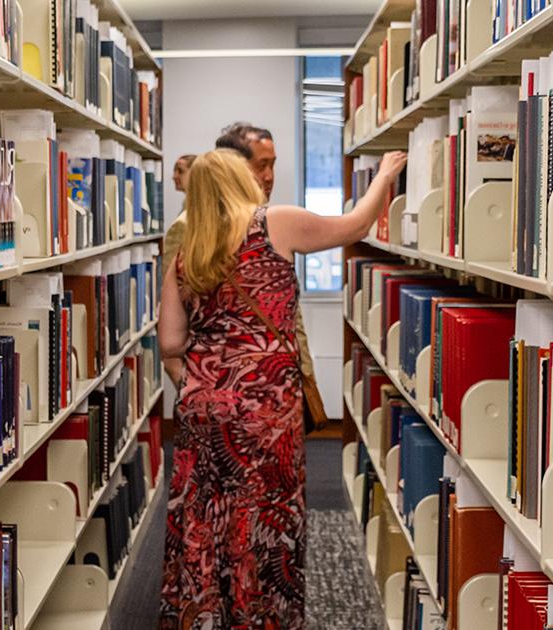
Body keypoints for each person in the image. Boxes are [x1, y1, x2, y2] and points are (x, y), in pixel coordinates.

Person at [158, 149, 408, 629]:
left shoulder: (188, 256)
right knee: (265, 516)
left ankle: (206, 616)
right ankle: (261, 618)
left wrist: (203, 386)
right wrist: (384, 176)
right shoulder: (274, 222)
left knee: (205, 515)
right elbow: (354, 226)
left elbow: (171, 342)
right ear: (240, 181)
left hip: (202, 405)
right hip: (265, 406)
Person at [163, 122, 324, 431]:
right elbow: (177, 321)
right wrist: (196, 392)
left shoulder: (266, 222)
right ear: (233, 170)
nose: (269, 177)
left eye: (273, 165)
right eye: (261, 166)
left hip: (278, 383)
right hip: (222, 396)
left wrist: (302, 370)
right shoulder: (189, 229)